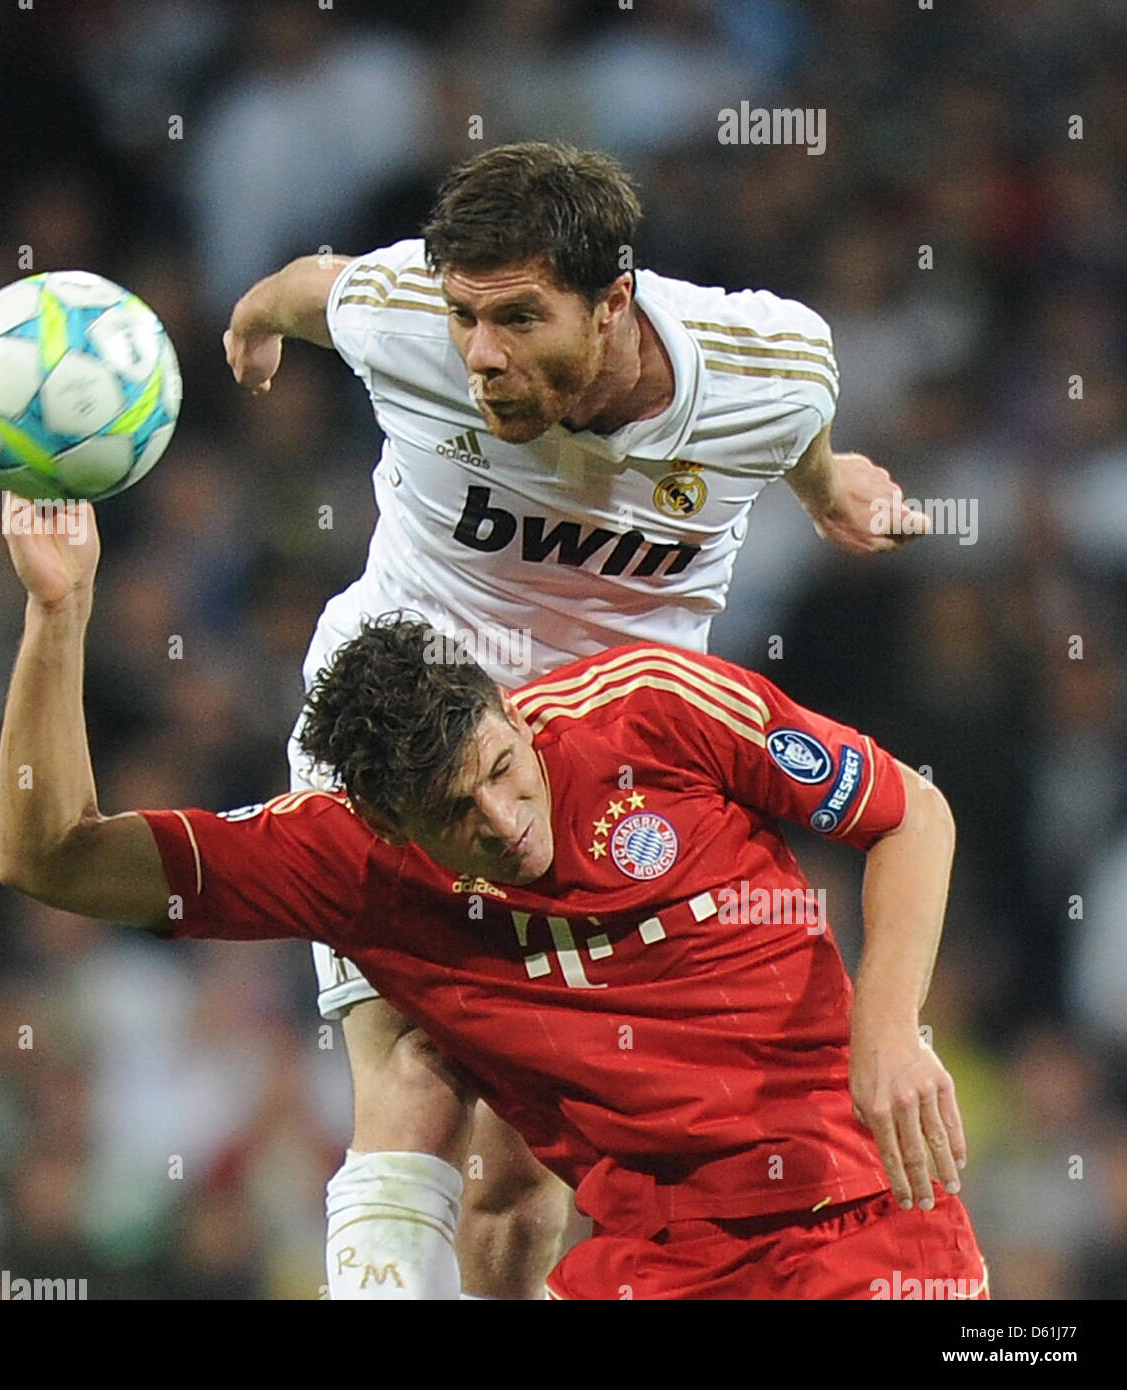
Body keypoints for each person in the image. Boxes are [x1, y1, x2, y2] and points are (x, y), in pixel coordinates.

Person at [222, 141, 931, 1298]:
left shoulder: (770, 358)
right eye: (464, 317)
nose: (481, 356)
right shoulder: (406, 316)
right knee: (414, 1067)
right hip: (409, 715)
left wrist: (827, 483)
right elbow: (308, 289)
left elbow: (797, 427)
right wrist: (254, 319)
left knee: (534, 1156)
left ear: (613, 304)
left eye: (515, 319)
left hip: (607, 760)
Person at [0, 521, 985, 1301]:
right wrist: (59, 611)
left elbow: (913, 814)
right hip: (650, 1258)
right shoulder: (346, 864)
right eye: (455, 814)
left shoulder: (655, 706)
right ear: (386, 821)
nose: (507, 822)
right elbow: (53, 858)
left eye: (505, 770)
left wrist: (889, 1033)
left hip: (861, 1215)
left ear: (510, 714)